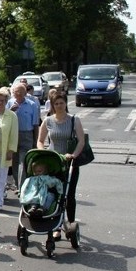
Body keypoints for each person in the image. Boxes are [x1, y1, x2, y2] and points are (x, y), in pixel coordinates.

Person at [37, 91, 85, 234]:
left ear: (66, 103)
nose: (59, 106)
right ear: (52, 105)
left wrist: (74, 155)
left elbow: (81, 140)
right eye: (56, 103)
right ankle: (56, 225)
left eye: (61, 103)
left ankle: (70, 223)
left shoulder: (74, 120)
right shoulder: (48, 120)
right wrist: (43, 151)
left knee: (69, 195)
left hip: (70, 162)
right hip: (53, 161)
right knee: (53, 193)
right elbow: (40, 140)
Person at [7, 82, 40, 192]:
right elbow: (4, 118)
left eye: (21, 92)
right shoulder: (9, 103)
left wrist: (36, 141)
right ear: (13, 93)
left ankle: (22, 188)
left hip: (27, 135)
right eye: (16, 92)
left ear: (25, 93)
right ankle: (17, 184)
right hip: (13, 135)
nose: (19, 94)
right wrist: (10, 111)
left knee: (23, 161)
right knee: (15, 162)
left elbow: (35, 124)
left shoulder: (32, 105)